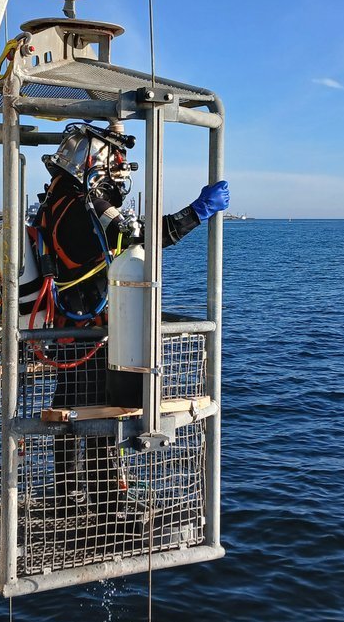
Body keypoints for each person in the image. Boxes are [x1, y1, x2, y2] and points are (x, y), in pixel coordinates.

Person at [31, 121, 228, 521]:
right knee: (99, 412)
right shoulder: (79, 208)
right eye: (117, 164)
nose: (121, 173)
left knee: (75, 408)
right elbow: (144, 238)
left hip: (74, 327)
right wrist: (196, 212)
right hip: (88, 328)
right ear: (95, 162)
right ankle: (103, 503)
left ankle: (70, 495)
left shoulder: (58, 201)